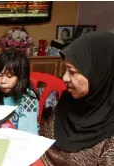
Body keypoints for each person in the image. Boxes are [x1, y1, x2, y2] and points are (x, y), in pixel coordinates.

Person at [40, 31, 114, 165]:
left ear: (99, 74)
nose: (64, 78)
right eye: (66, 69)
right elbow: (44, 138)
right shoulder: (69, 99)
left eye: (72, 72)